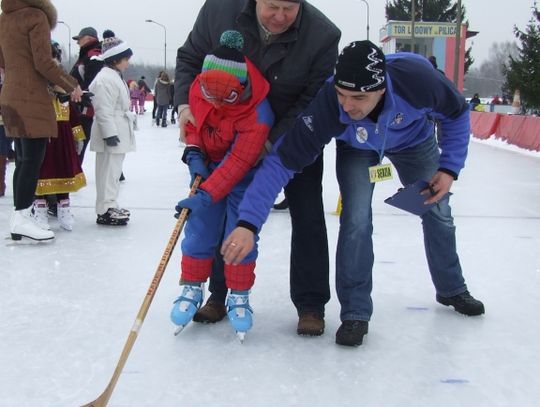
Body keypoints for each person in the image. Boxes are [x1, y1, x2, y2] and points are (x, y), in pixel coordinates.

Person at [222, 41, 485, 347]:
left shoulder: (418, 80)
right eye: (342, 95)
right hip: (358, 149)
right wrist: (248, 224)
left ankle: (452, 288)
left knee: (438, 211)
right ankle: (355, 312)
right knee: (356, 220)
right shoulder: (329, 105)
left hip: (414, 141)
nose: (348, 106)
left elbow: (456, 113)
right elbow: (282, 162)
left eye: (359, 97)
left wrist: (450, 168)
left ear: (381, 89)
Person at [174, 0, 340, 337]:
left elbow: (311, 100)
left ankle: (311, 304)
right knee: (222, 214)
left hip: (294, 136)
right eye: (272, 6)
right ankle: (220, 296)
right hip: (226, 138)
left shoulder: (322, 34)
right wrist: (184, 106)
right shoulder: (218, 10)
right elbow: (190, 58)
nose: (280, 16)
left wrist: (268, 141)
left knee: (307, 214)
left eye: (289, 8)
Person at [170, 30, 274, 339]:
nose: (215, 103)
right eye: (209, 95)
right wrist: (193, 153)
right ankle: (191, 287)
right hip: (207, 167)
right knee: (200, 227)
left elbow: (239, 162)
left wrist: (206, 193)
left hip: (243, 173)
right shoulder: (200, 88)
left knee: (236, 236)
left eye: (225, 97)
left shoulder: (258, 111)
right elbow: (194, 126)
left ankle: (239, 293)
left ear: (240, 88)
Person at [0, 0, 82, 242]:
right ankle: (23, 219)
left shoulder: (5, 18)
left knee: (24, 160)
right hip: (31, 98)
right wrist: (71, 85)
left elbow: (3, 62)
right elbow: (43, 62)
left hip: (11, 97)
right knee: (33, 160)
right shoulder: (36, 16)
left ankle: (19, 218)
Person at [32, 41, 87, 232]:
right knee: (41, 173)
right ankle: (39, 210)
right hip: (42, 136)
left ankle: (64, 209)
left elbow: (72, 114)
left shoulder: (65, 85)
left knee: (63, 172)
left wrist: (77, 136)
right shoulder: (35, 86)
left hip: (62, 139)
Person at [88, 32, 136, 226]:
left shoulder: (113, 76)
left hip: (118, 129)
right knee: (108, 172)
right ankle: (105, 209)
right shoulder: (105, 79)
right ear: (116, 59)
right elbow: (102, 109)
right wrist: (110, 134)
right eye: (126, 59)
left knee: (113, 172)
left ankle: (110, 204)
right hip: (112, 131)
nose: (128, 63)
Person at [70, 26, 104, 164]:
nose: (78, 43)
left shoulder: (94, 56)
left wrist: (81, 97)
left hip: (85, 107)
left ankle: (75, 169)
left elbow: (93, 83)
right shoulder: (86, 55)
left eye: (80, 39)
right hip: (80, 105)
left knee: (80, 139)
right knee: (79, 139)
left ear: (89, 39)